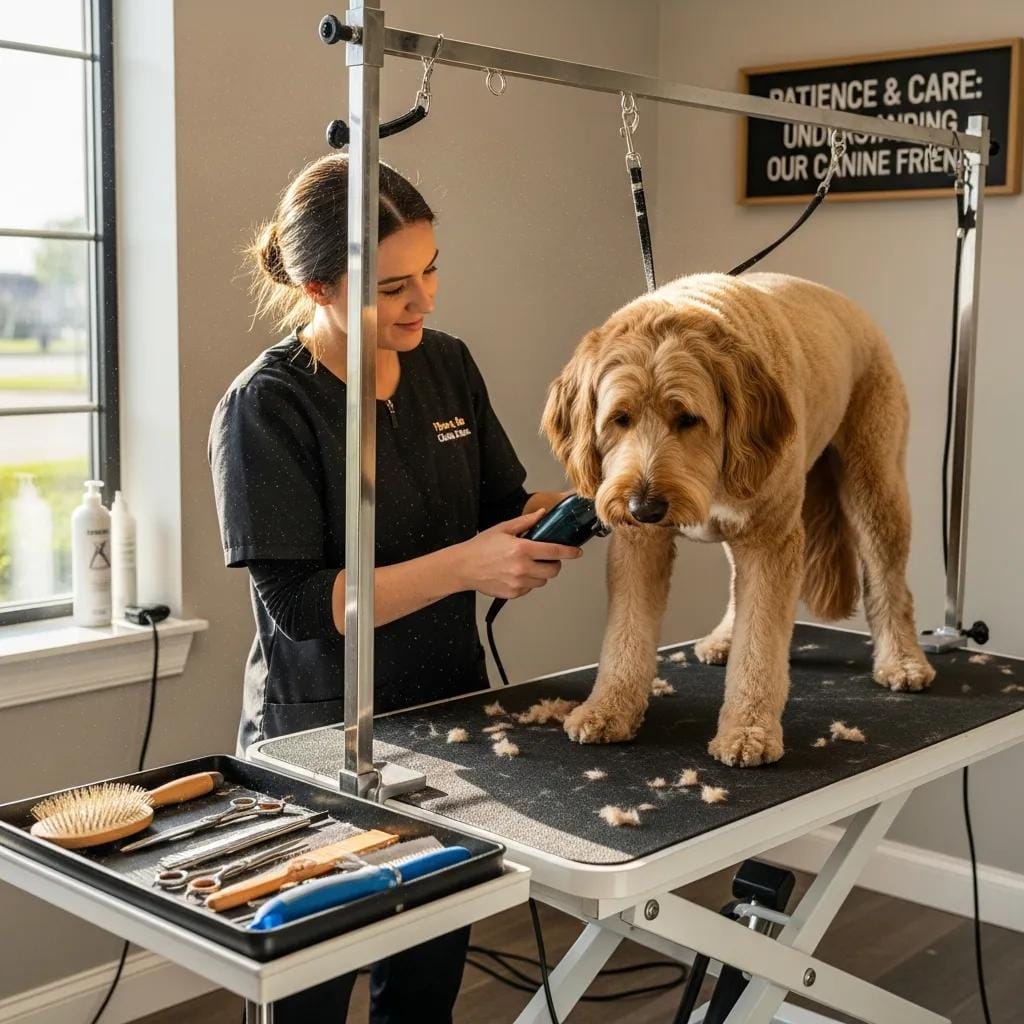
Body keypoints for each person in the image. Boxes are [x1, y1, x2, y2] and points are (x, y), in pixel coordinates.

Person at [209, 153, 581, 1023]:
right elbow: (301, 608)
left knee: (423, 990)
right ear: (317, 285)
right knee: (309, 993)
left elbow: (501, 504)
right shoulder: (267, 406)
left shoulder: (447, 365)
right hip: (320, 737)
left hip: (449, 721)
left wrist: (580, 505)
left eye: (432, 270)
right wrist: (465, 567)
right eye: (393, 285)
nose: (424, 301)